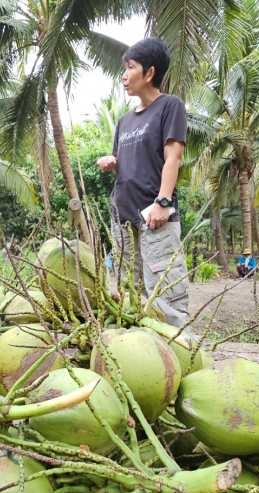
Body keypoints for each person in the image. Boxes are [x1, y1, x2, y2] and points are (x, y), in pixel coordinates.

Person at [96, 38, 190, 326]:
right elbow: (131, 165)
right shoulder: (124, 122)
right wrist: (113, 163)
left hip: (155, 216)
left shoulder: (169, 106)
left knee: (165, 293)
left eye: (130, 67)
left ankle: (176, 353)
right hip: (122, 218)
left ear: (149, 73)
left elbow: (173, 158)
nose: (124, 75)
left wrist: (163, 202)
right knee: (129, 293)